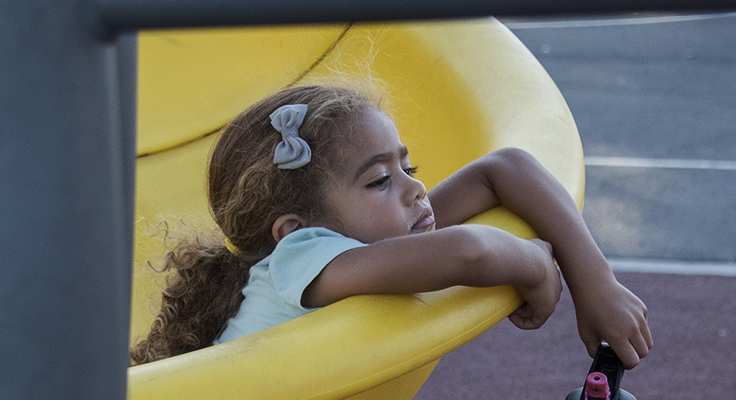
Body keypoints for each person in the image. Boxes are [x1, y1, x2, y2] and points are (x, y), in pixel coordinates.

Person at [131, 84, 651, 366]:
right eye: (379, 180)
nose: (415, 190)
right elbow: (468, 251)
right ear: (295, 227)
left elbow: (505, 169)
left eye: (410, 167)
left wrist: (596, 282)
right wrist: (538, 263)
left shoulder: (379, 235)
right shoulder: (303, 259)